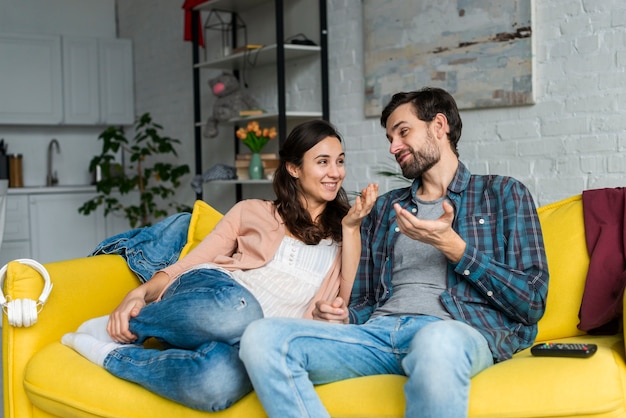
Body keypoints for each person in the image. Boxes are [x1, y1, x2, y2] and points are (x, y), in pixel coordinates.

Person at [239, 87, 549, 418]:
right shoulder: (388, 207)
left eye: (403, 132)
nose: (393, 147)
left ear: (439, 126)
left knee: (436, 342)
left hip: (452, 330)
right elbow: (363, 300)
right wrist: (346, 317)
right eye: (390, 137)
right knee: (261, 338)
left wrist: (456, 249)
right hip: (379, 334)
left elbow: (532, 302)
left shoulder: (502, 193)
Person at [61, 119, 378, 412]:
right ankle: (130, 326)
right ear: (294, 168)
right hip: (214, 296)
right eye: (322, 162)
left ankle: (110, 354)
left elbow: (346, 301)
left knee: (215, 386)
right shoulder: (252, 210)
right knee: (241, 311)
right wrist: (140, 294)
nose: (336, 172)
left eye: (340, 161)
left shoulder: (348, 231)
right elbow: (193, 262)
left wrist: (350, 230)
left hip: (254, 340)